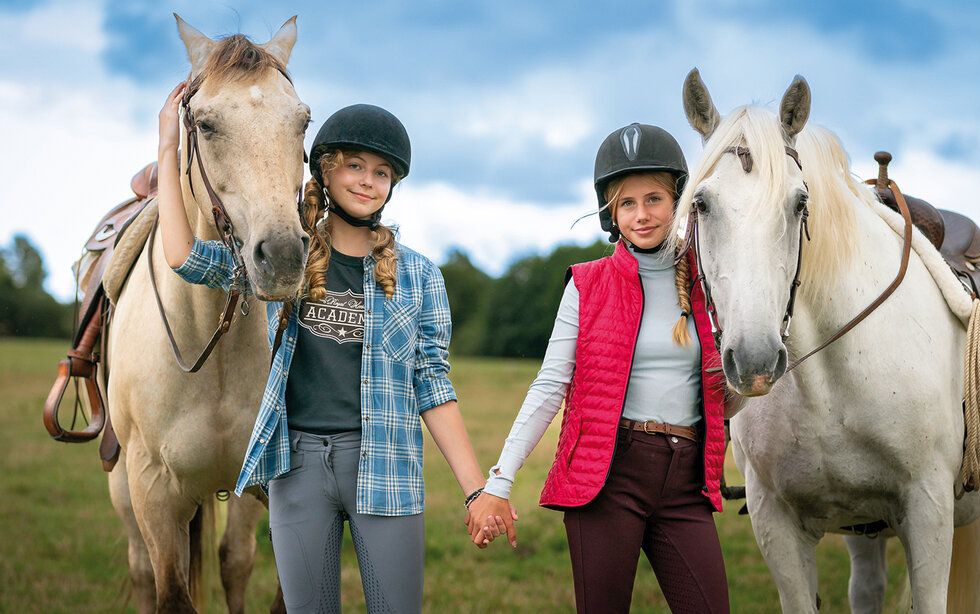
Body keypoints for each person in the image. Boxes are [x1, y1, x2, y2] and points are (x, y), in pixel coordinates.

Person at [157, 82, 487, 613]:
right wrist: (168, 144)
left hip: (385, 464)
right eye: (355, 166)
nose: (368, 181)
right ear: (325, 171)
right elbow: (183, 256)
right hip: (299, 468)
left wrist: (476, 489)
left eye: (382, 173)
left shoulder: (420, 278)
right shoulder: (282, 263)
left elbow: (434, 385)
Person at [467, 123, 731, 613]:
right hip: (609, 480)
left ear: (677, 198)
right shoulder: (587, 285)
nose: (642, 214)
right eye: (626, 204)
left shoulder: (709, 282)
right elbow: (549, 386)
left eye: (653, 198)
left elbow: (725, 391)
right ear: (612, 214)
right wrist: (498, 484)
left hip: (684, 480)